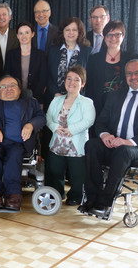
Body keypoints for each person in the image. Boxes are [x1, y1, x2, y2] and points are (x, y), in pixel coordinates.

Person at [81, 59, 138, 217]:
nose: (133, 76)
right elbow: (101, 122)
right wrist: (106, 135)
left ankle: (105, 202)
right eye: (129, 73)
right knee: (91, 145)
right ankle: (92, 198)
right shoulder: (115, 95)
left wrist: (130, 142)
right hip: (115, 143)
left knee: (124, 151)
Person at [0, 76, 46, 211]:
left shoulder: (30, 103)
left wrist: (30, 125)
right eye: (3, 87)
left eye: (12, 86)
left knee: (15, 155)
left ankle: (13, 195)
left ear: (19, 90)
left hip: (18, 143)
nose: (8, 89)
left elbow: (41, 118)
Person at [45, 66, 95, 206]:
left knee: (77, 175)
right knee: (55, 171)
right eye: (69, 78)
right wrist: (55, 127)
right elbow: (48, 118)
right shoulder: (56, 100)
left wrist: (71, 130)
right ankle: (56, 194)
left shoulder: (87, 102)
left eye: (76, 80)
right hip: (57, 142)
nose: (72, 82)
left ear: (83, 83)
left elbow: (89, 120)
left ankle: (76, 196)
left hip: (76, 142)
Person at [85, 21, 138, 117]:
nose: (113, 38)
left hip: (123, 106)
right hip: (98, 107)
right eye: (109, 35)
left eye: (117, 34)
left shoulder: (131, 58)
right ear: (104, 38)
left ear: (123, 36)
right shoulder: (94, 59)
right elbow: (89, 86)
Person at [45, 17, 91, 107]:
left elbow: (89, 77)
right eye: (67, 30)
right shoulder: (53, 50)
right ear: (63, 32)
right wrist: (56, 93)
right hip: (55, 99)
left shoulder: (87, 52)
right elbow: (48, 75)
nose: (71, 33)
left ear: (79, 32)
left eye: (74, 30)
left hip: (78, 101)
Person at [4, 22, 47, 104]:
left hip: (35, 98)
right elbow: (7, 76)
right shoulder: (10, 55)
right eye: (21, 33)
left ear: (32, 34)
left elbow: (43, 78)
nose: (24, 36)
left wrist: (34, 96)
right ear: (17, 36)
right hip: (15, 97)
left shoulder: (40, 55)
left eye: (27, 33)